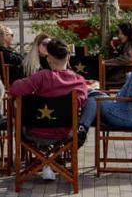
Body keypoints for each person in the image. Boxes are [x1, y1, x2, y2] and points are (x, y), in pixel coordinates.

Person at [10, 39, 88, 181]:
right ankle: (50, 162)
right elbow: (81, 104)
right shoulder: (79, 81)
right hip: (64, 134)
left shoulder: (42, 76)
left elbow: (15, 89)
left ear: (48, 58)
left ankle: (45, 162)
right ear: (68, 57)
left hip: (34, 132)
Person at [77, 38, 132, 144]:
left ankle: (80, 131)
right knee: (95, 94)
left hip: (127, 116)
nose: (129, 52)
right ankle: (81, 128)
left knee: (93, 100)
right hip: (131, 113)